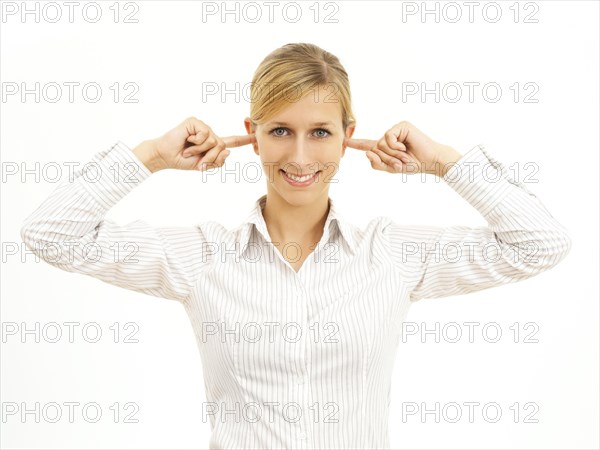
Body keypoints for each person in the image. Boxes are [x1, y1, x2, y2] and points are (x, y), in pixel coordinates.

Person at [20, 43, 572, 449]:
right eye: (280, 130)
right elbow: (51, 235)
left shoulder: (392, 255)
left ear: (348, 132)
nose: (300, 156)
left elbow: (540, 244)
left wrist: (445, 162)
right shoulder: (204, 257)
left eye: (321, 132)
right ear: (252, 132)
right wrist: (154, 155)